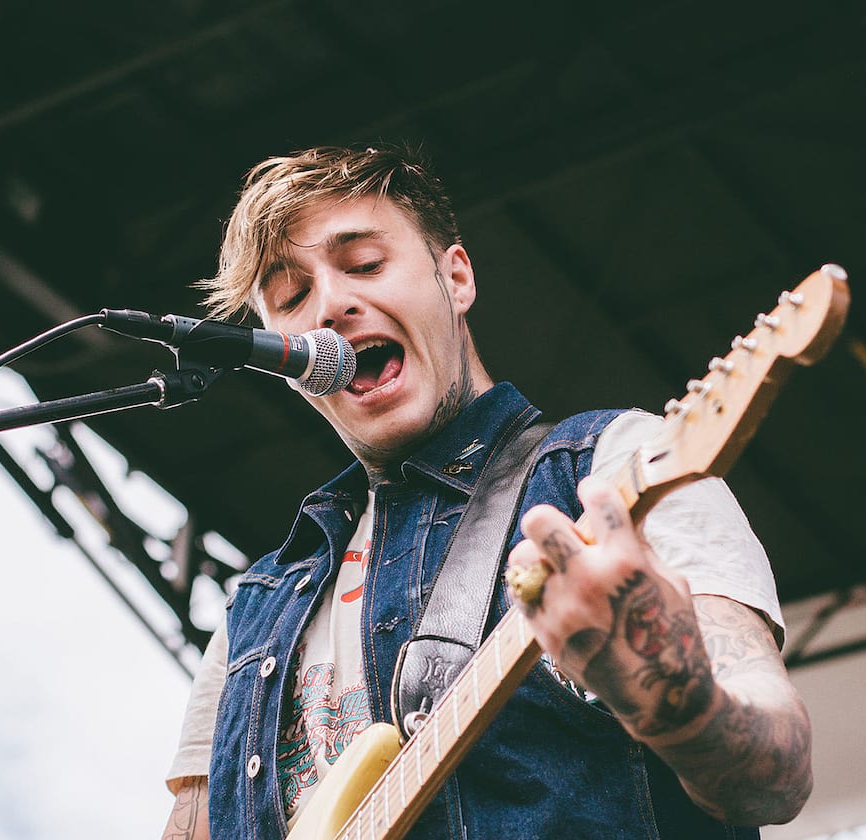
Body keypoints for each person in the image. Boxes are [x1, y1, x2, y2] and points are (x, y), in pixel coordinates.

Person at [161, 144, 812, 840]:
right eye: (291, 297)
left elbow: (773, 776)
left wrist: (672, 700)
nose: (331, 304)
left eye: (364, 265)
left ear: (456, 276)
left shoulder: (612, 466)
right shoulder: (256, 608)